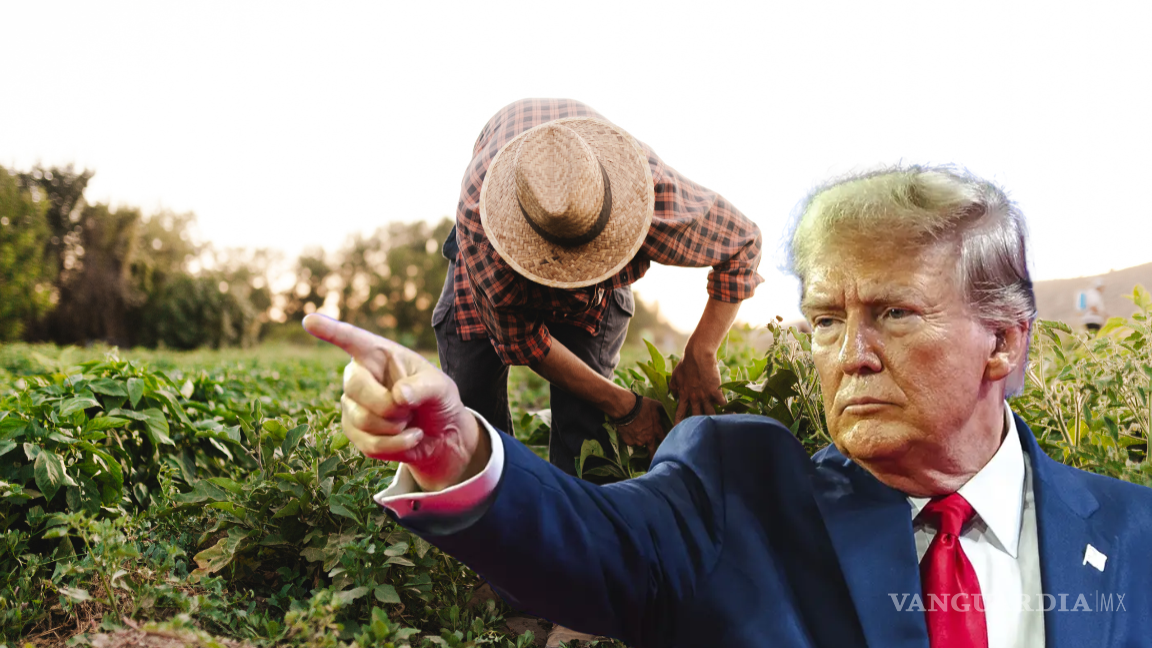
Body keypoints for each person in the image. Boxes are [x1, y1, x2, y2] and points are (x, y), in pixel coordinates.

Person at [305, 166, 1152, 647]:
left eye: (894, 313)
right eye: (825, 320)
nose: (850, 355)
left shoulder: (1133, 535)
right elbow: (589, 539)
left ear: (1003, 342)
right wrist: (457, 445)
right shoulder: (732, 491)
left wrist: (700, 347)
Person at [430, 98, 763, 478]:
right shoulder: (485, 225)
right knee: (473, 420)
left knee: (586, 429)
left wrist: (701, 350)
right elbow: (525, 343)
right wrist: (626, 406)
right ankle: (497, 516)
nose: (565, 275)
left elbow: (743, 243)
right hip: (492, 267)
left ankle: (579, 519)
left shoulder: (645, 190)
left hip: (596, 298)